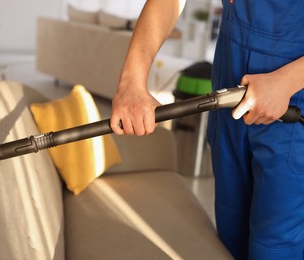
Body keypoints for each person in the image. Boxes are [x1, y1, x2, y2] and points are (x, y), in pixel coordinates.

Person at [110, 0, 304, 259]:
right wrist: (131, 80)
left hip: (292, 105)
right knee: (231, 234)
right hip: (229, 88)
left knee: (274, 248)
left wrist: (288, 80)